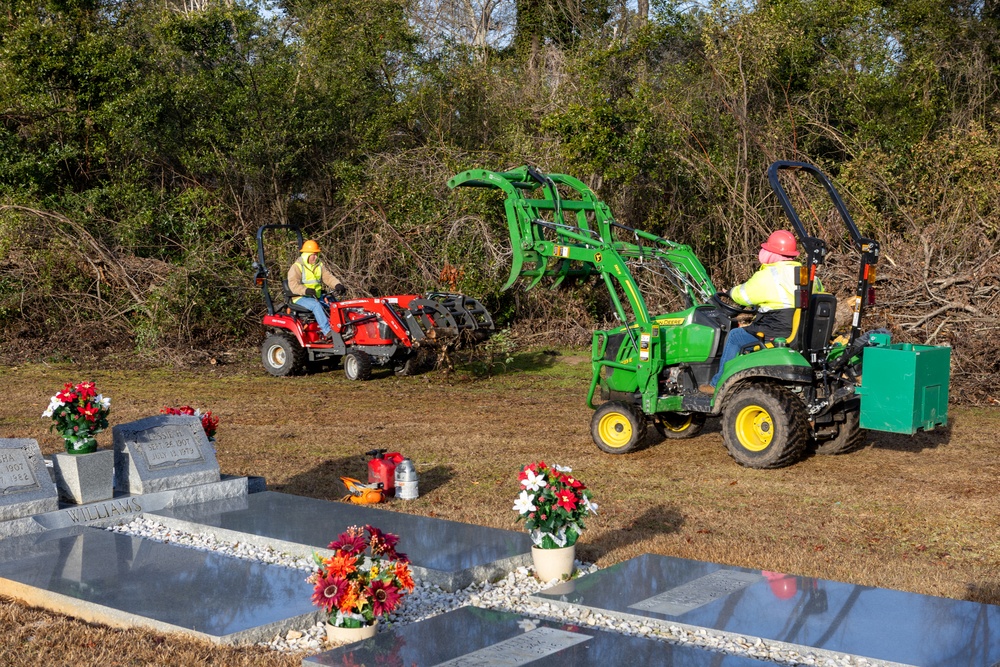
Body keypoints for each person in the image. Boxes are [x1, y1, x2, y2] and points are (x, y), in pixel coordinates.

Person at [701, 230, 820, 394]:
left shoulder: (769, 275)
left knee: (735, 336)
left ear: (772, 253)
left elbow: (743, 295)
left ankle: (717, 384)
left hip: (778, 331)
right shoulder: (808, 275)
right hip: (803, 332)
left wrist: (729, 292)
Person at [287, 239, 346, 340]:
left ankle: (343, 326)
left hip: (316, 296)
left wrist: (337, 285)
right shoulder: (296, 267)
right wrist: (305, 290)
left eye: (316, 254)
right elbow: (293, 285)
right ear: (306, 255)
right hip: (301, 297)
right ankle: (327, 331)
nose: (315, 257)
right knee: (315, 305)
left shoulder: (319, 266)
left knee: (334, 304)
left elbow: (328, 277)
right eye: (313, 254)